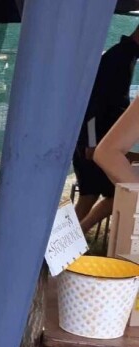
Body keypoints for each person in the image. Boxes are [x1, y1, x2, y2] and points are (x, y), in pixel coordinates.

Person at [73, 25, 139, 232]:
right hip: (92, 141)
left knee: (95, 195)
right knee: (92, 195)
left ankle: (68, 242)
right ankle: (66, 243)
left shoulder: (124, 57)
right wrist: (92, 143)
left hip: (96, 140)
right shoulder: (118, 59)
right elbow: (92, 104)